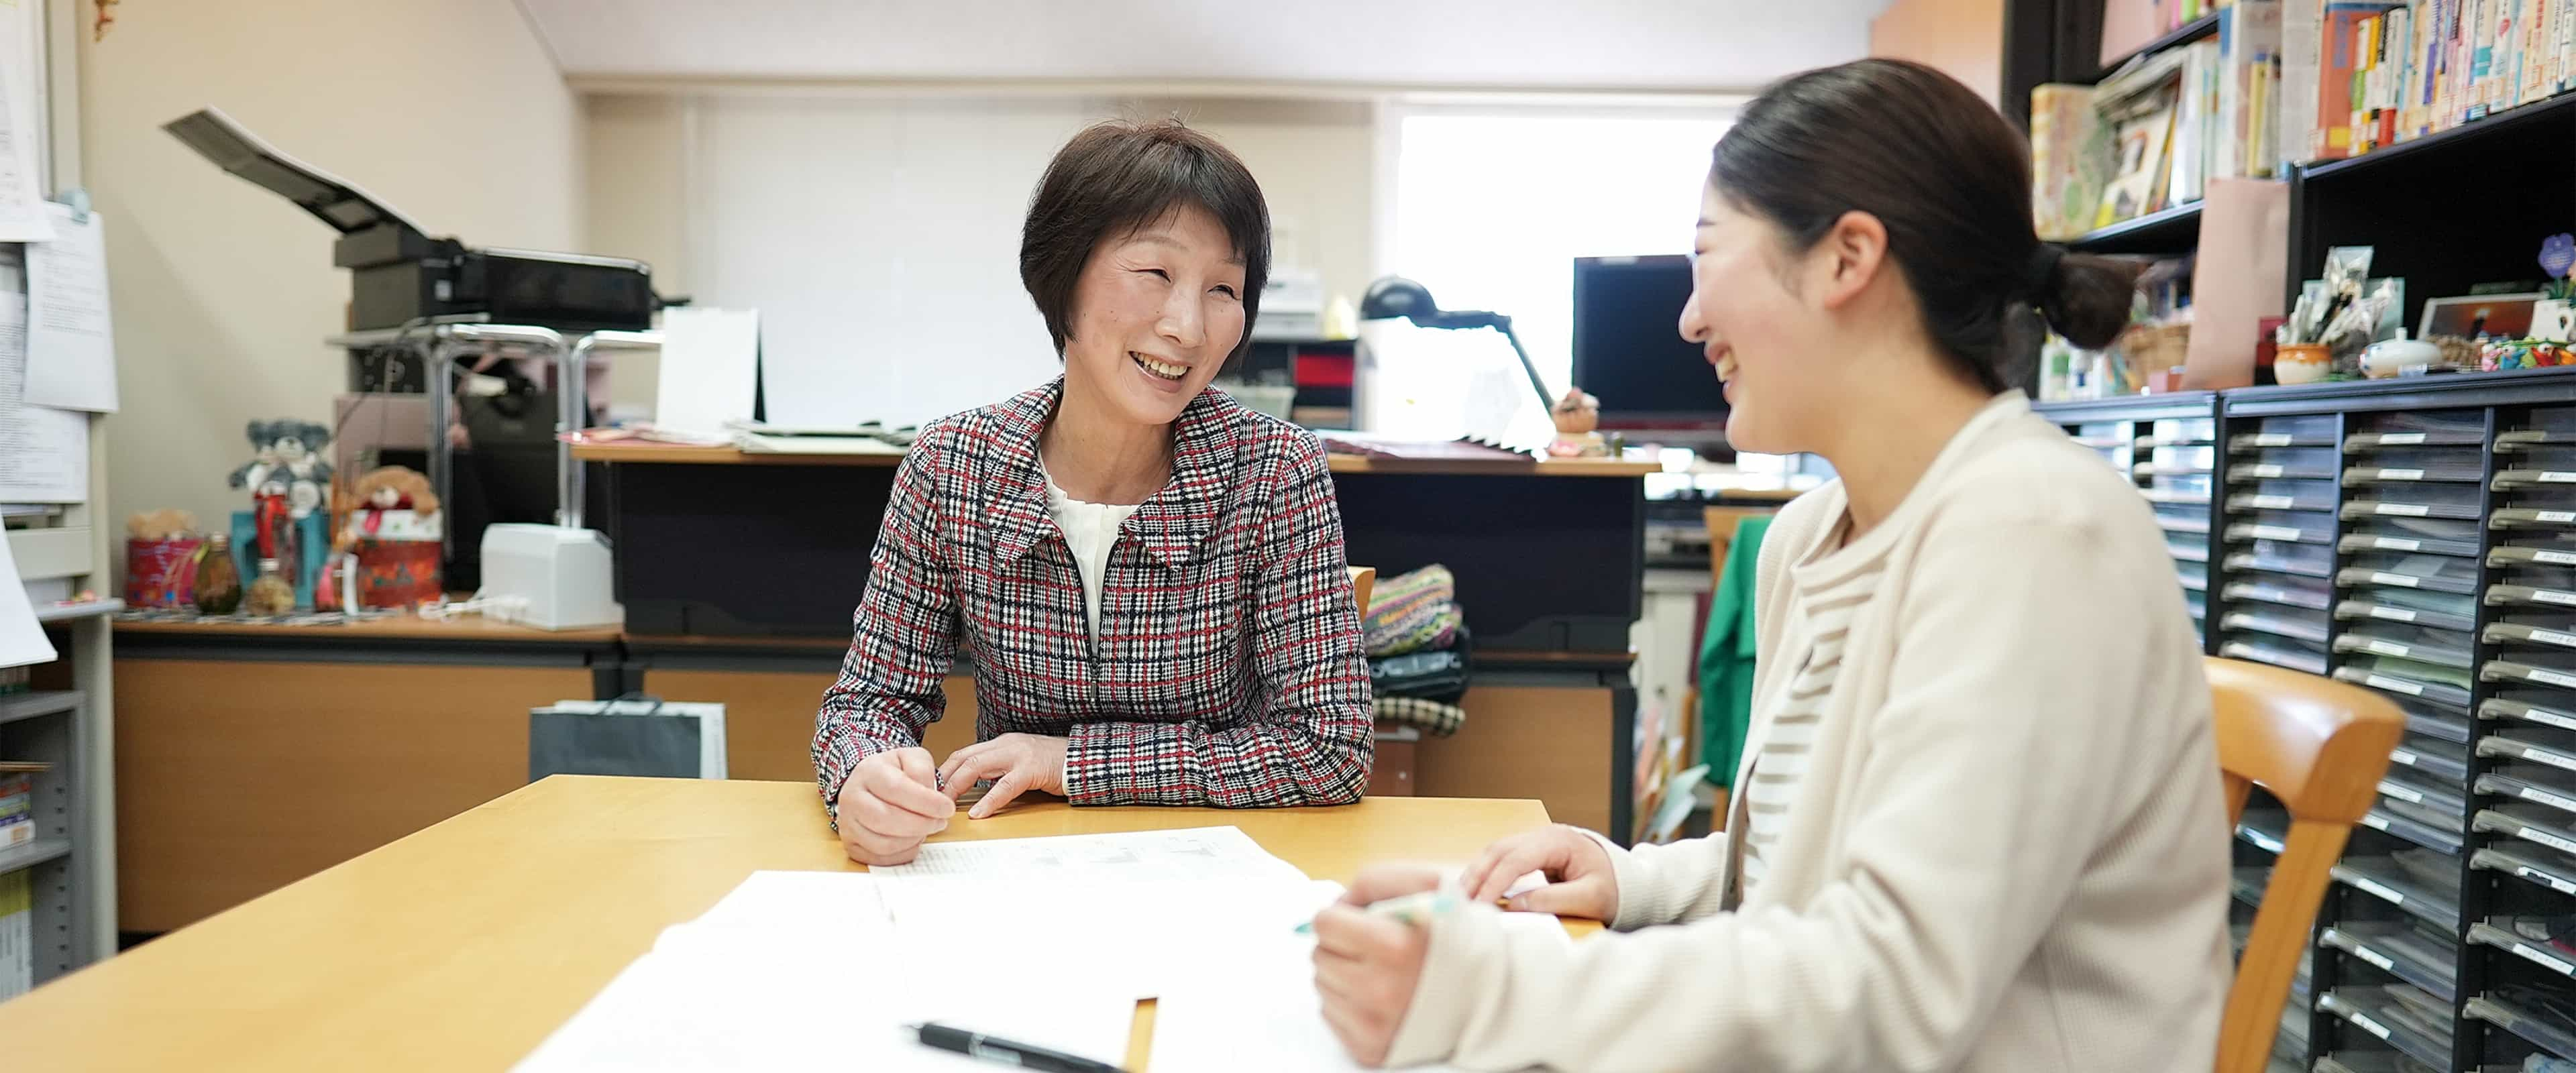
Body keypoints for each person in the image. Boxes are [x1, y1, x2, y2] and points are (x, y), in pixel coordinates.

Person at [1309, 59, 2229, 1071]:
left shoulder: (2037, 535)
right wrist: (1635, 882)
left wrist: (1492, 987)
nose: (1688, 318)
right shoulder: (1810, 536)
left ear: (1847, 258)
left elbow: (1890, 986)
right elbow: (1818, 875)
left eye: (1708, 255)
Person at [812, 119, 1375, 866]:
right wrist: (866, 773)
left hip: (1220, 866)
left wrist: (1070, 761)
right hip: (1012, 863)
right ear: (1064, 273)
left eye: (1223, 290)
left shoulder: (1275, 470)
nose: (1187, 327)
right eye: (1156, 274)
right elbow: (869, 702)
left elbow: (1328, 745)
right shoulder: (954, 464)